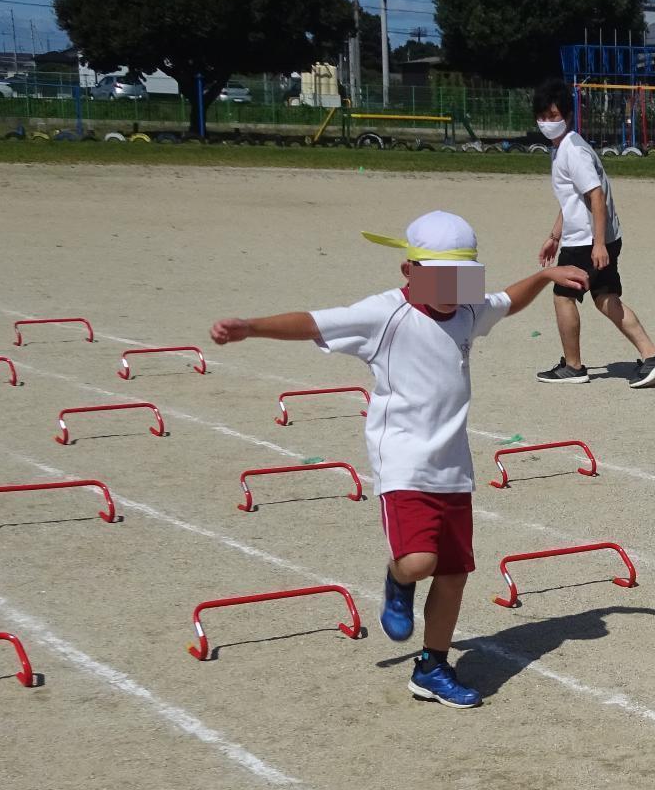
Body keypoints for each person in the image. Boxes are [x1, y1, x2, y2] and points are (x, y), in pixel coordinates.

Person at [209, 210, 589, 708]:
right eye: (441, 276)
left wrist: (543, 275)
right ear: (409, 271)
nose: (454, 288)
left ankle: (432, 667)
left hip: (454, 466)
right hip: (404, 463)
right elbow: (314, 321)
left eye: (462, 276)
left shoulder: (468, 309)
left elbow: (505, 303)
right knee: (419, 561)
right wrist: (250, 327)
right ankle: (397, 578)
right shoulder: (383, 315)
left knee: (454, 573)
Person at [531, 80, 655, 389]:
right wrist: (554, 236)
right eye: (542, 115)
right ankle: (653, 356)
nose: (547, 122)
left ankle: (573, 367)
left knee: (563, 296)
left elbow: (596, 196)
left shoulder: (572, 151)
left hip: (587, 240)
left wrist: (597, 244)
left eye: (553, 115)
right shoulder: (564, 150)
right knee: (605, 297)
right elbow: (573, 199)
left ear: (567, 116)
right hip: (595, 236)